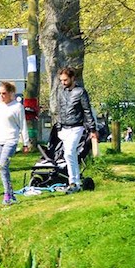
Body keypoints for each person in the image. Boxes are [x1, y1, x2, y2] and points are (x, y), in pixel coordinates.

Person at [51, 66, 97, 194]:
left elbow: (87, 111)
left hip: (76, 127)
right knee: (68, 155)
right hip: (63, 128)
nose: (63, 83)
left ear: (72, 78)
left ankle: (74, 182)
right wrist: (59, 127)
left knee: (69, 153)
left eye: (65, 80)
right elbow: (59, 110)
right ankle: (75, 181)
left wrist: (92, 129)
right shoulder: (60, 91)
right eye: (61, 80)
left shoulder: (80, 92)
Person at [0, 80, 29, 204]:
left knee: (3, 165)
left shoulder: (17, 107)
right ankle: (11, 194)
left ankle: (7, 194)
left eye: (4, 93)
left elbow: (23, 125)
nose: (1, 96)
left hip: (11, 139)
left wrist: (26, 142)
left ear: (11, 93)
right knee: (1, 168)